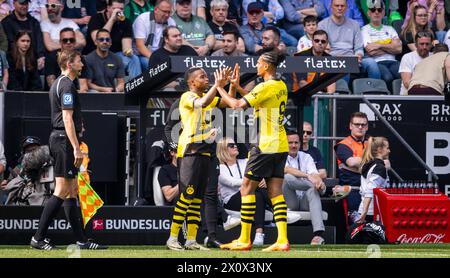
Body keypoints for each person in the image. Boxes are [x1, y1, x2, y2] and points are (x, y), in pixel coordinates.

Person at [31, 50, 107, 250]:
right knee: (63, 190)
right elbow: (66, 118)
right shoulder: (65, 85)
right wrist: (76, 148)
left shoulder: (59, 83)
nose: (82, 63)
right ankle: (38, 238)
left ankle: (81, 240)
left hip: (61, 139)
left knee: (72, 191)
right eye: (79, 61)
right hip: (64, 141)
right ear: (70, 64)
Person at [217, 50, 290, 252]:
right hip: (280, 144)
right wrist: (237, 86)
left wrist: (220, 88)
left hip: (264, 144)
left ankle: (244, 239)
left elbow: (237, 105)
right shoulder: (281, 85)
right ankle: (282, 239)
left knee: (246, 189)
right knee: (275, 192)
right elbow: (255, 99)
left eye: (258, 62)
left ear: (266, 66)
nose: (256, 65)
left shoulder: (265, 86)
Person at [165, 66, 231, 251]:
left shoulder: (208, 98)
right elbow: (201, 102)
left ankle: (191, 241)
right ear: (192, 82)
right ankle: (172, 238)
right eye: (202, 77)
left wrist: (228, 86)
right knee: (186, 196)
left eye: (207, 76)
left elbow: (227, 102)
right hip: (190, 151)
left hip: (204, 152)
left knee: (196, 199)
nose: (206, 79)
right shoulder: (188, 96)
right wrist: (217, 85)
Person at [217, 137, 269, 247]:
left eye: (235, 144)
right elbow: (231, 182)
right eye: (231, 145)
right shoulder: (220, 168)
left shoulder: (245, 161)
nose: (235, 146)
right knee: (254, 190)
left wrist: (261, 179)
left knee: (257, 195)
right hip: (231, 200)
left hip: (250, 194)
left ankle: (259, 233)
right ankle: (279, 209)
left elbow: (259, 172)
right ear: (223, 150)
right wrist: (255, 181)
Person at [318, 0, 379, 82]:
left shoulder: (355, 24)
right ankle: (344, 92)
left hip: (352, 58)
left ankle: (376, 90)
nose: (340, 8)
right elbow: (322, 50)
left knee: (371, 63)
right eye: (337, 6)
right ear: (331, 7)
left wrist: (359, 55)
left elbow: (359, 48)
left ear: (346, 8)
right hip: (333, 59)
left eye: (342, 6)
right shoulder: (322, 25)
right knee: (345, 64)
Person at [282, 130, 326, 245]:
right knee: (288, 177)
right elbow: (287, 170)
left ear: (300, 144)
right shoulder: (280, 156)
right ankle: (318, 188)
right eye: (290, 142)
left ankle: (317, 235)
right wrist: (308, 176)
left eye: (296, 143)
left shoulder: (306, 157)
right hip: (290, 201)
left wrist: (318, 181)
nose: (293, 145)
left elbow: (315, 174)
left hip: (305, 200)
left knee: (313, 189)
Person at [86, 0, 141, 78]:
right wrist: (112, 19)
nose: (118, 11)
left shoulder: (126, 22)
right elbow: (98, 40)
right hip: (96, 55)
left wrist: (128, 51)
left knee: (134, 59)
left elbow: (126, 46)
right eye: (114, 8)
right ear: (108, 8)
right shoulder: (96, 18)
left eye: (121, 9)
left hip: (115, 55)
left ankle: (136, 87)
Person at [334, 112, 369, 223]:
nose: (360, 127)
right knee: (355, 225)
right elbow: (351, 162)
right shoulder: (343, 144)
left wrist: (360, 162)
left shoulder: (371, 143)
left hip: (370, 191)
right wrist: (374, 162)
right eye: (357, 124)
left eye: (363, 125)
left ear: (367, 127)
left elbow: (386, 164)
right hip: (351, 191)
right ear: (350, 126)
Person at [361, 0, 401, 89]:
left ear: (383, 13)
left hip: (393, 62)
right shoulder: (364, 29)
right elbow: (370, 51)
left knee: (402, 76)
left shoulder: (390, 29)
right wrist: (390, 47)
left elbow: (399, 49)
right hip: (377, 62)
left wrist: (378, 45)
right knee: (388, 78)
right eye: (373, 10)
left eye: (379, 10)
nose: (376, 12)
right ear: (368, 13)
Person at [2, 0, 46, 71]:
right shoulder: (6, 23)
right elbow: (7, 45)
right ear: (14, 3)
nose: (24, 6)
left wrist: (41, 57)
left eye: (26, 3)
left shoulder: (34, 23)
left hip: (32, 62)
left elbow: (39, 42)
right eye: (21, 4)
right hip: (13, 63)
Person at [355, 137, 390, 224]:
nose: (389, 151)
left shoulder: (369, 164)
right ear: (379, 149)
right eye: (387, 148)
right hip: (373, 212)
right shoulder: (379, 168)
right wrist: (365, 211)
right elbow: (370, 190)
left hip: (366, 210)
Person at [133, 0, 176, 71]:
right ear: (156, 10)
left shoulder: (171, 22)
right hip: (142, 55)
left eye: (169, 12)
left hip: (162, 55)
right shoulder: (142, 19)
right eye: (164, 11)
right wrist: (156, 59)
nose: (167, 15)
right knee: (151, 64)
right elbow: (140, 46)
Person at [44, 27, 90, 92]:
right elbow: (51, 83)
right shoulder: (51, 57)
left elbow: (83, 86)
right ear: (60, 42)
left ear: (75, 42)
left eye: (71, 40)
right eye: (65, 40)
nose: (68, 42)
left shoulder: (80, 58)